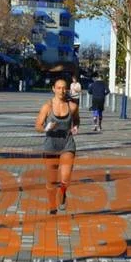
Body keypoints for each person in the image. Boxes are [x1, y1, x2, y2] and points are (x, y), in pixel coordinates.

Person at [36, 77, 80, 214]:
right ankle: (52, 205)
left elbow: (77, 121)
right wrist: (46, 129)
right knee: (51, 180)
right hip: (51, 145)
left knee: (65, 177)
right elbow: (37, 125)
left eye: (64, 88)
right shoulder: (47, 106)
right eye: (59, 87)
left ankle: (63, 193)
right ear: (53, 89)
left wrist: (75, 127)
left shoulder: (72, 106)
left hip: (67, 144)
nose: (62, 90)